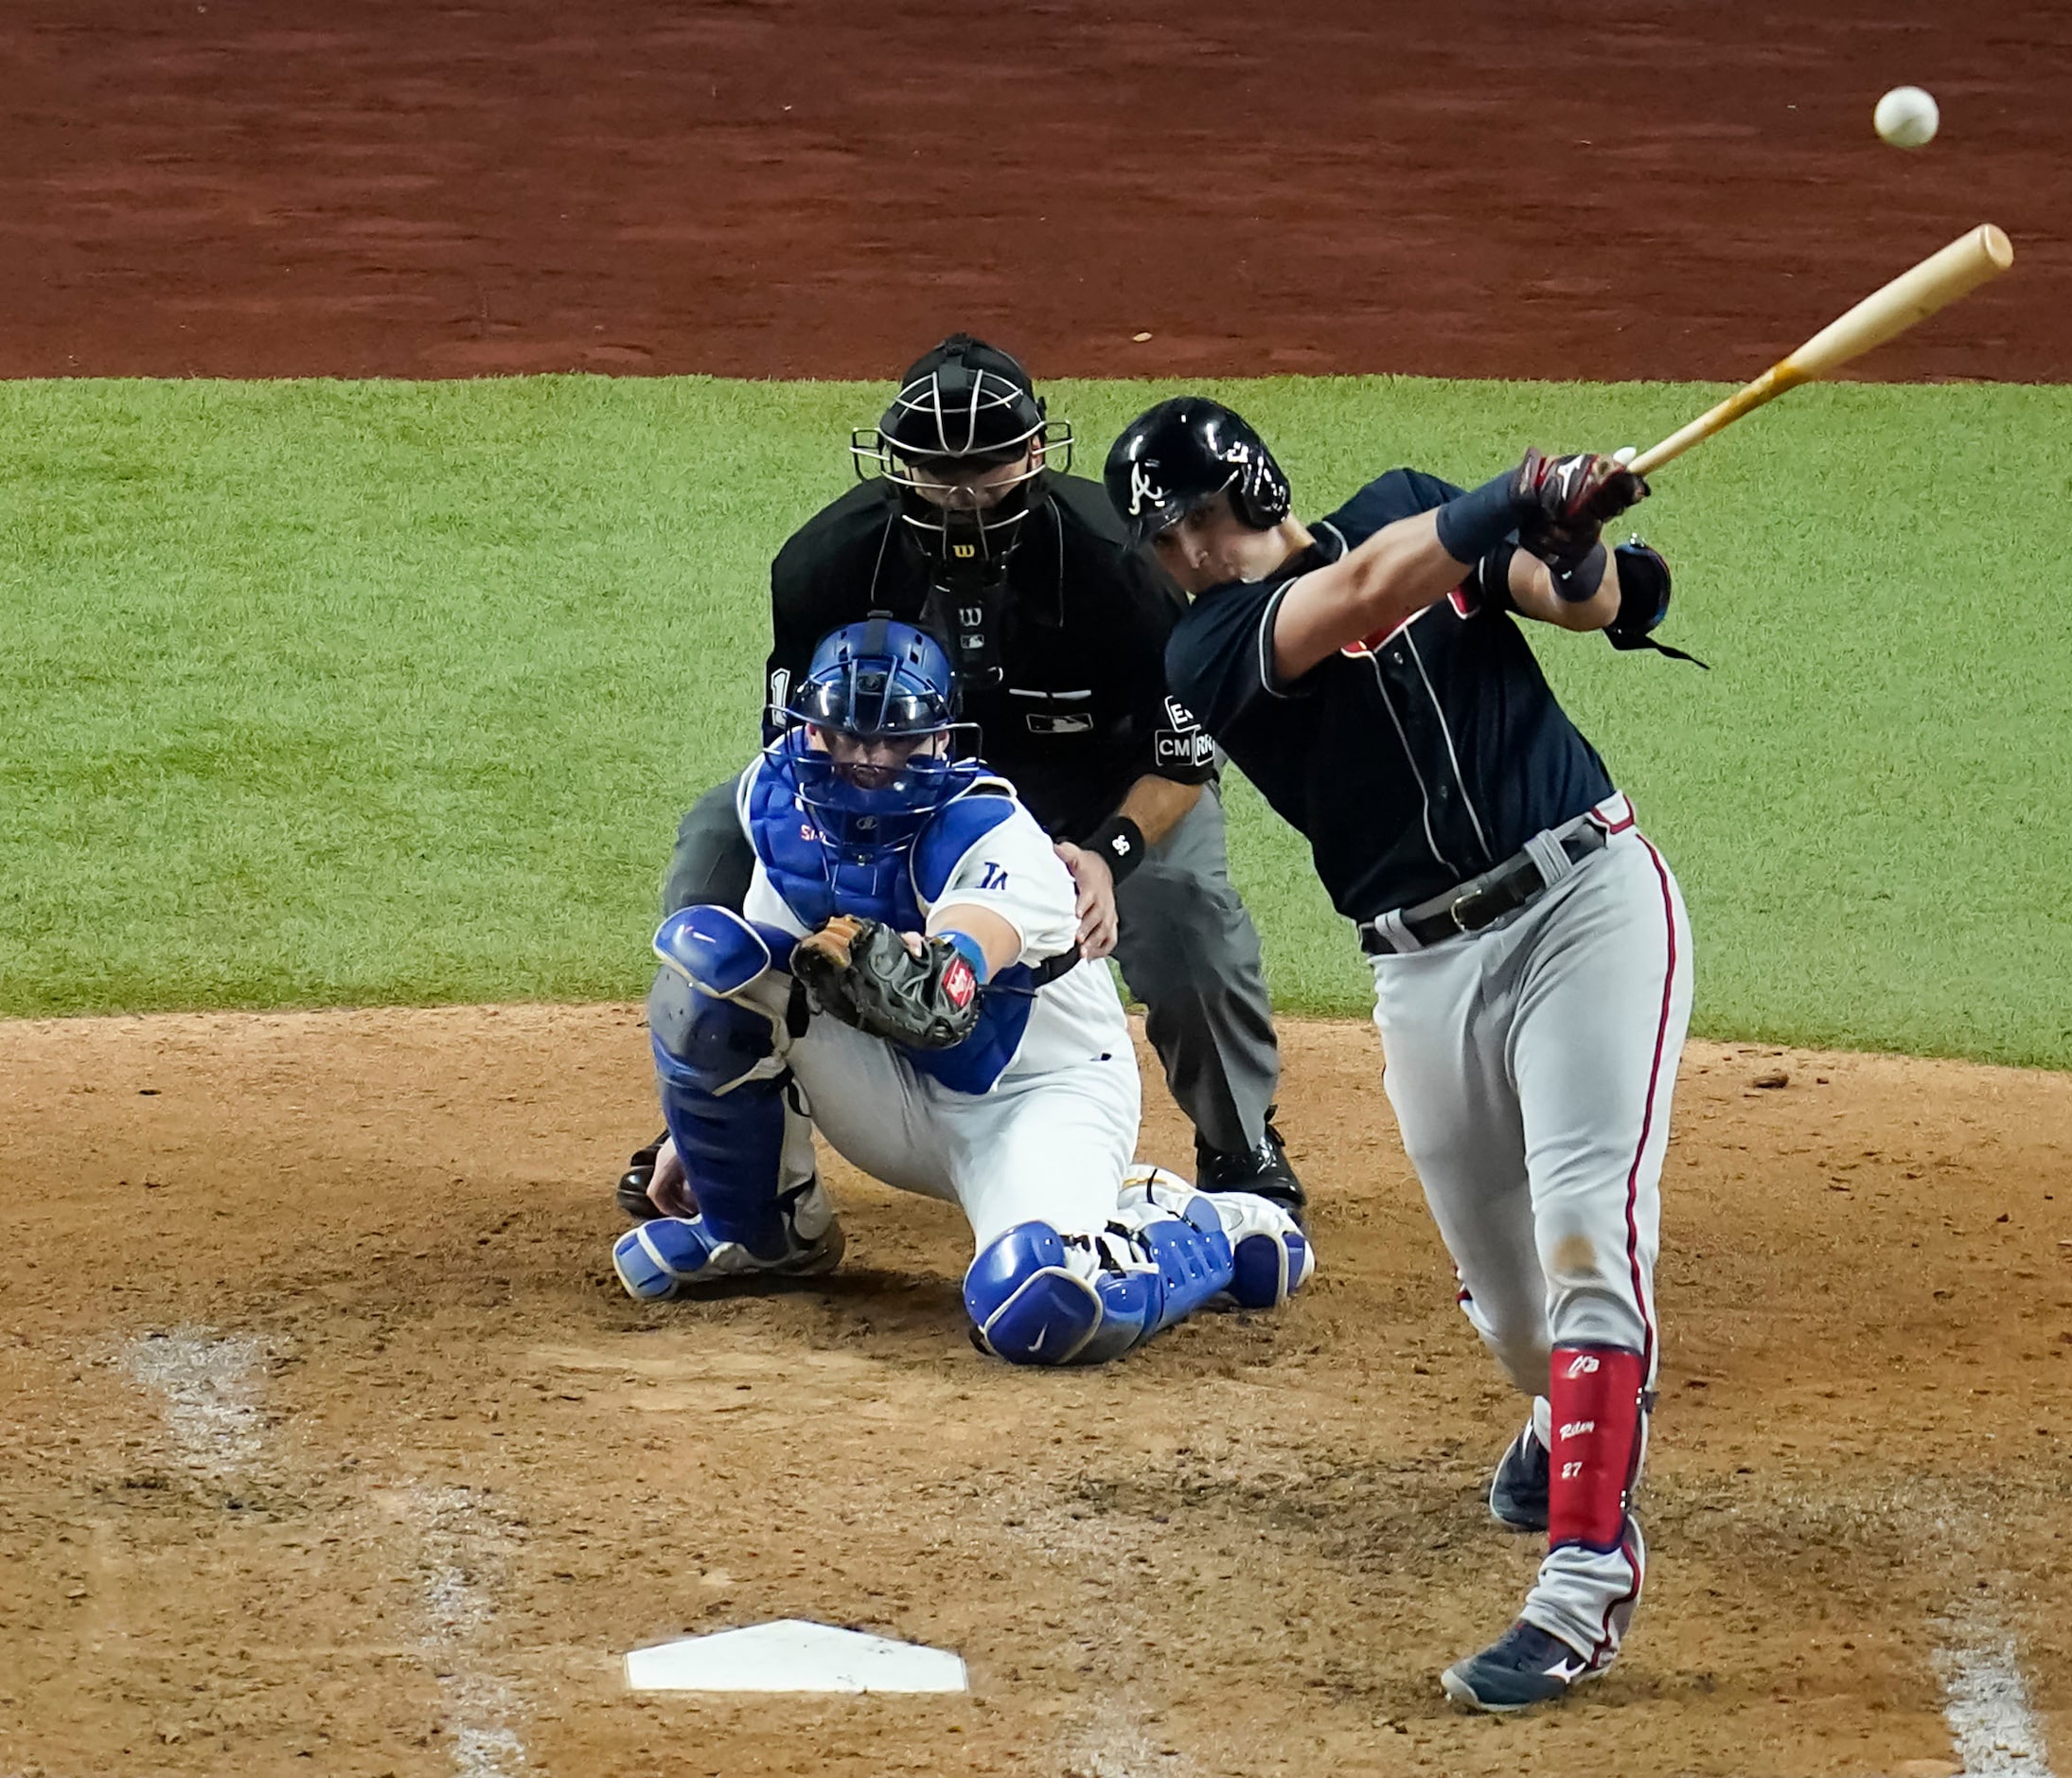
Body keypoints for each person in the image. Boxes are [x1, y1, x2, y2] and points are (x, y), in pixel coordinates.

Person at [1103, 398, 1691, 1710]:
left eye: (1198, 519)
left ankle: (1585, 1584)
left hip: (1588, 902)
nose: (1187, 553)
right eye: (1165, 538)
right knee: (1510, 1304)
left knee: (1591, 1235)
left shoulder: (1408, 504)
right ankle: (1562, 1410)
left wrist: (1572, 536)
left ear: (1251, 489)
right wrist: (1506, 499)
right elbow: (1363, 592)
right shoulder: (1209, 647)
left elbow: (1579, 603)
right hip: (1424, 968)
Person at [622, 333, 1299, 1222]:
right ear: (894, 463)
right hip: (905, 793)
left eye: (986, 465)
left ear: (1033, 454)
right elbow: (800, 751)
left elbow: (1183, 754)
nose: (963, 492)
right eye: (936, 469)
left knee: (1183, 910)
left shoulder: (1120, 564)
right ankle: (714, 1108)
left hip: (1102, 790)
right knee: (720, 838)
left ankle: (1239, 1141)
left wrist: (1108, 855)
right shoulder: (826, 563)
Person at [614, 616, 1312, 1364]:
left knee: (1039, 1305)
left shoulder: (995, 835)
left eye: (895, 741)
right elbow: (765, 981)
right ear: (808, 730)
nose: (867, 763)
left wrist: (935, 960)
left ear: (942, 741)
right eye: (845, 737)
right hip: (885, 1090)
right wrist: (712, 1135)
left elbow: (950, 981)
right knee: (710, 963)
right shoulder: (774, 799)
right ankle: (758, 1234)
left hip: (1031, 1096)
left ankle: (1209, 1230)